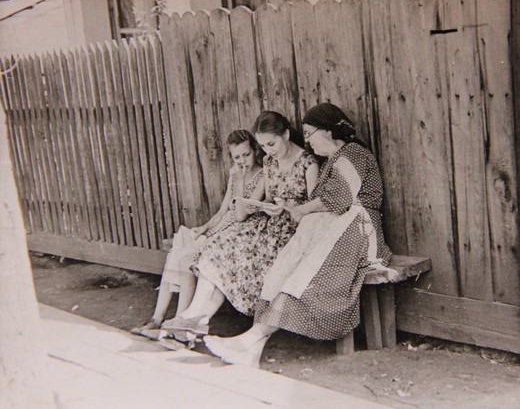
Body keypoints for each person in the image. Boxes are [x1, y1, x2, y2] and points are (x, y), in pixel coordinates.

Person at [203, 102, 393, 367]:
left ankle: (249, 341)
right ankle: (251, 348)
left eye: (309, 133)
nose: (307, 140)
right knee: (283, 269)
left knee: (304, 277)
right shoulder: (333, 160)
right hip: (333, 229)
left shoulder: (353, 155)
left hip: (359, 233)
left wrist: (301, 210)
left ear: (327, 131)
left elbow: (337, 198)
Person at [160, 111, 319, 339]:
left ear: (286, 135)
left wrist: (289, 208)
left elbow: (312, 209)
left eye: (271, 144)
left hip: (290, 233)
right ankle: (195, 319)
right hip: (264, 225)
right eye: (263, 146)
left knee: (230, 260)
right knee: (217, 252)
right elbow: (264, 199)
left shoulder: (308, 163)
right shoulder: (269, 161)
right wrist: (265, 205)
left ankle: (192, 320)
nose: (268, 151)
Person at [131, 129, 265, 338]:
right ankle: (157, 320)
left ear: (255, 151)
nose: (242, 161)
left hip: (238, 230)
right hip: (221, 227)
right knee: (179, 247)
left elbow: (240, 215)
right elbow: (223, 211)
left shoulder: (261, 175)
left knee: (186, 258)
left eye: (246, 155)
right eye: (236, 157)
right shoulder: (235, 173)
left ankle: (177, 323)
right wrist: (204, 228)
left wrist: (239, 180)